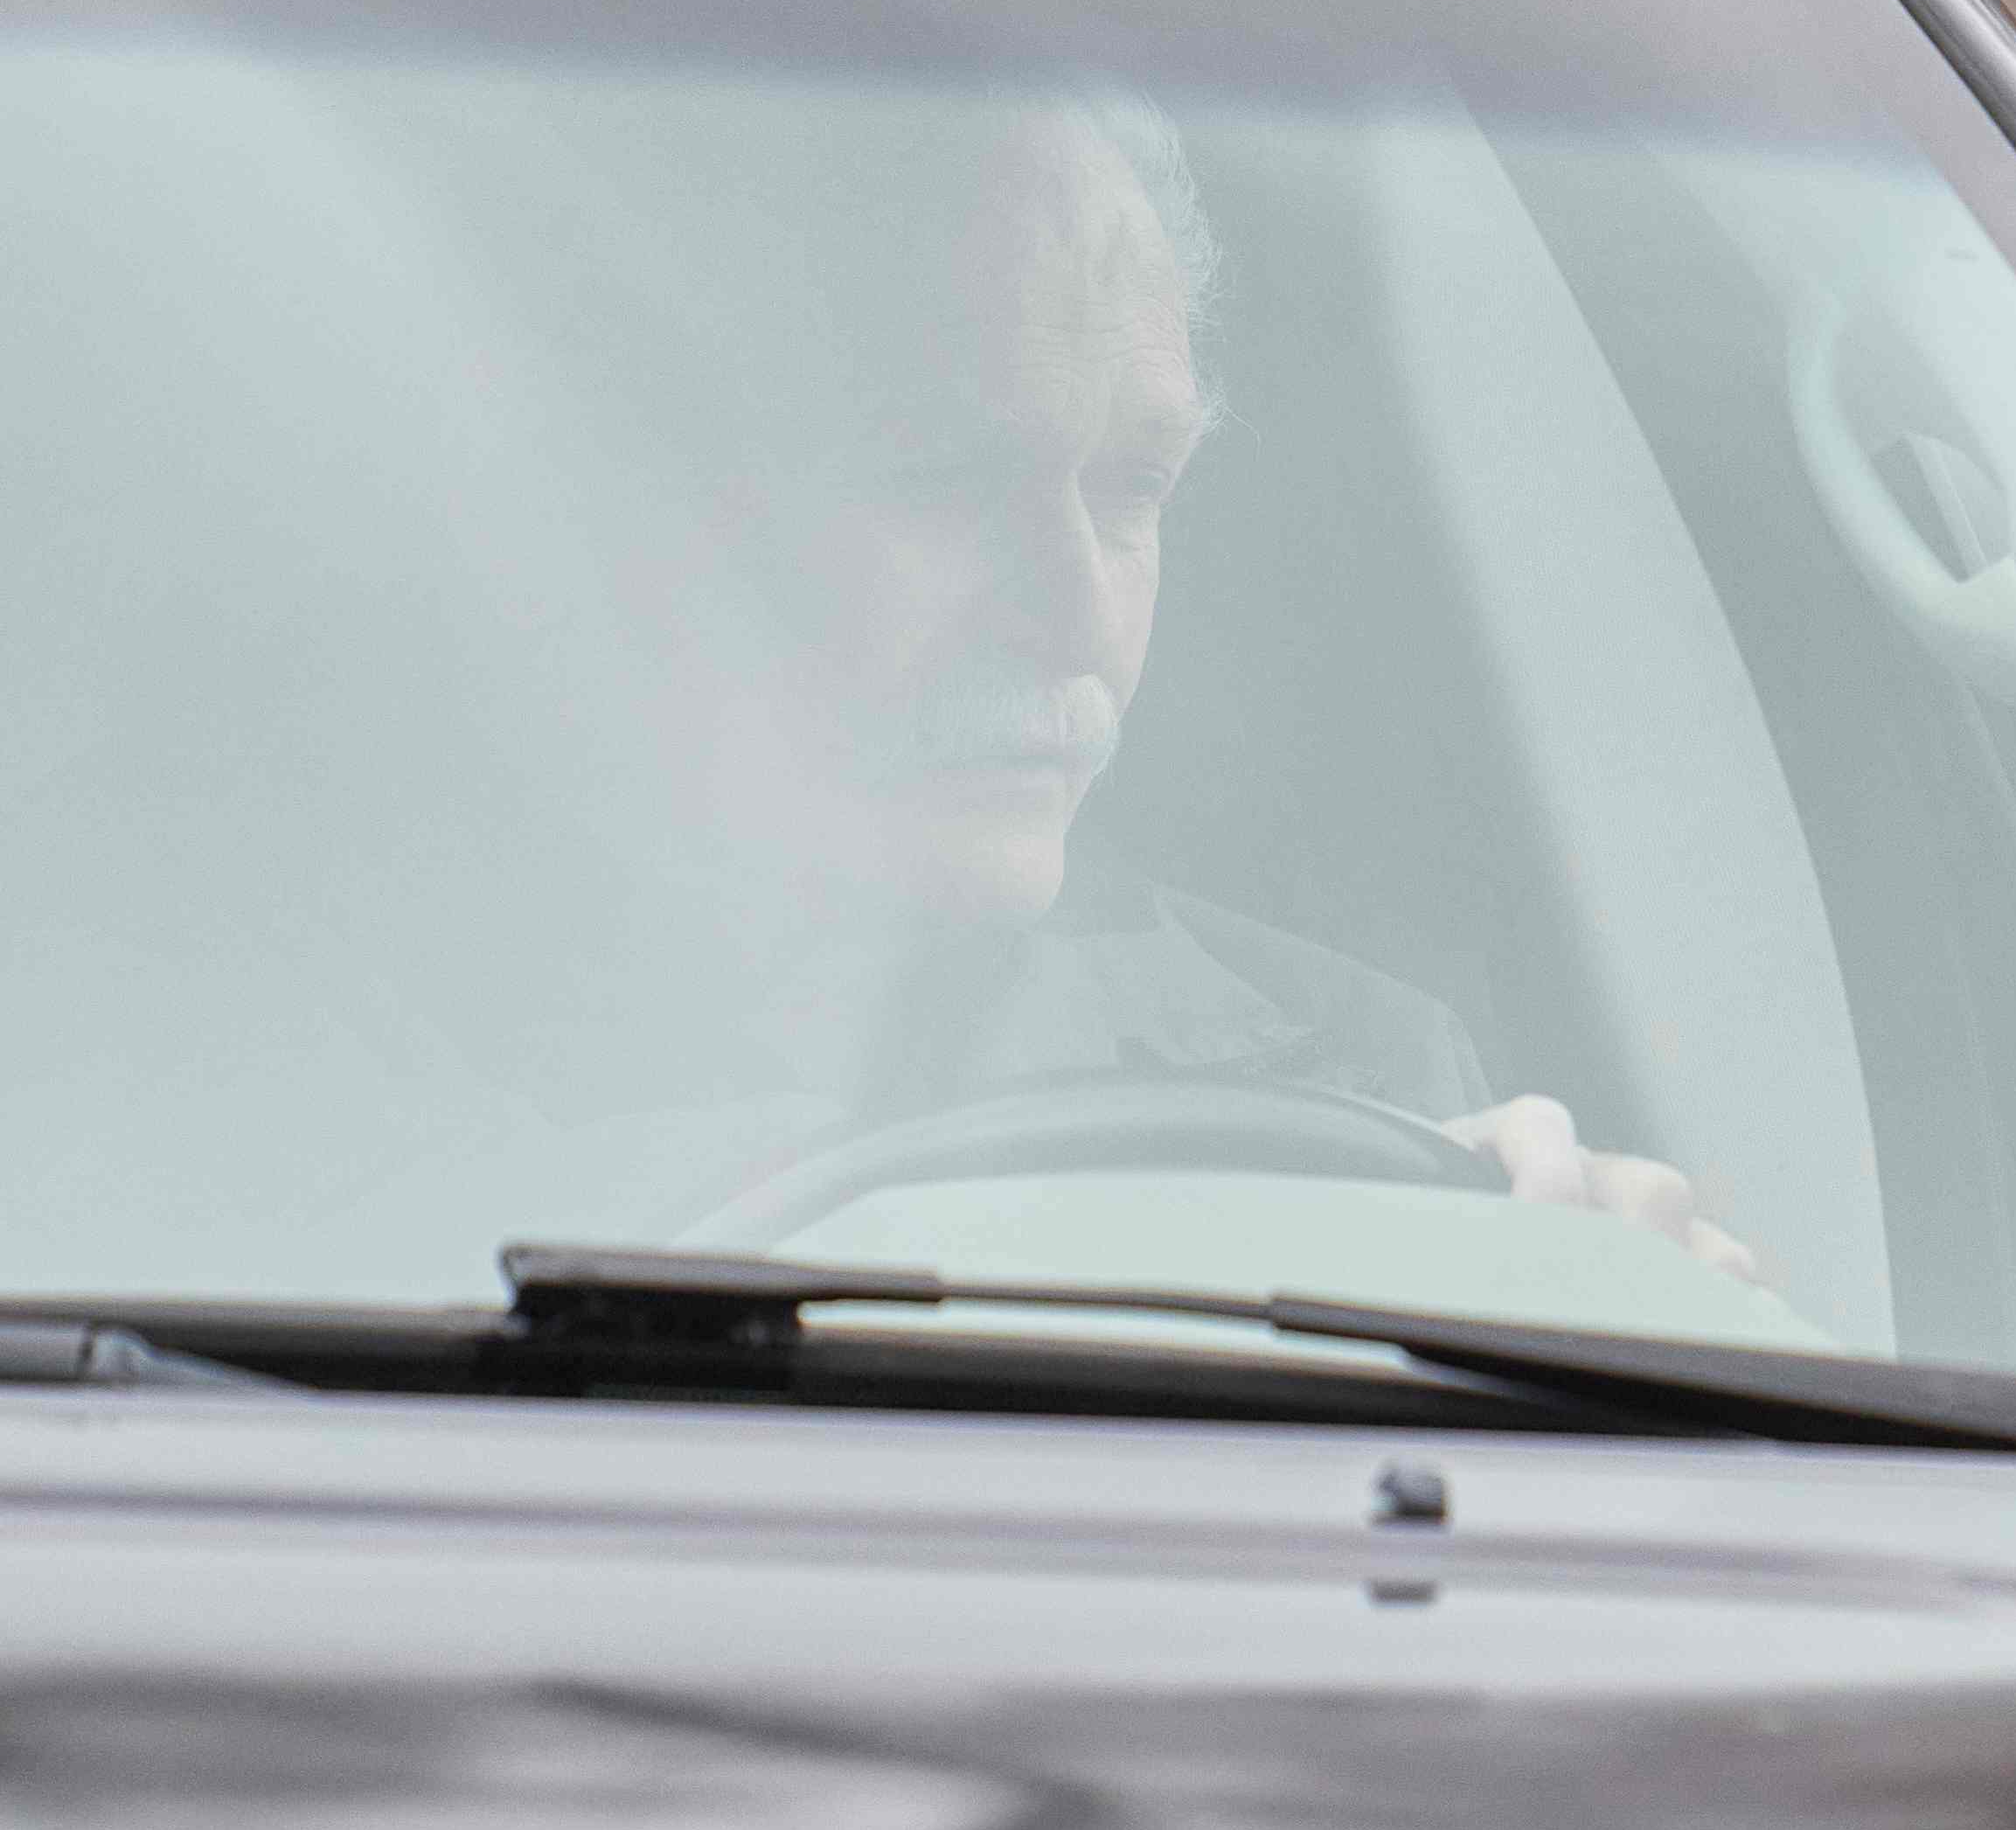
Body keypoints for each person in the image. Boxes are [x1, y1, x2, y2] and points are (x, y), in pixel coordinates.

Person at [620, 88, 1749, 1271]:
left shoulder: (1364, 1074)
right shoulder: (472, 1050)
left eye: (1131, 487)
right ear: (676, 501)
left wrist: (1572, 1297)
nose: (1078, 613)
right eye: (946, 474)